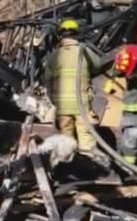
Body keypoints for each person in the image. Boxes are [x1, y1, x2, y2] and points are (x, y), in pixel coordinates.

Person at [42, 18, 107, 157]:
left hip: (62, 105)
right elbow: (98, 66)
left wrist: (53, 100)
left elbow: (47, 81)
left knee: (66, 139)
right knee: (86, 138)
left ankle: (67, 164)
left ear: (60, 35)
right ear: (77, 34)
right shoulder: (84, 51)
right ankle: (89, 162)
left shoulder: (53, 56)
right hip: (81, 103)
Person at [101, 44, 137, 166]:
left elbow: (118, 75)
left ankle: (128, 163)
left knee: (132, 135)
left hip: (134, 107)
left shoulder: (136, 71)